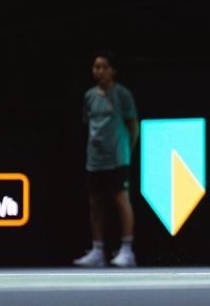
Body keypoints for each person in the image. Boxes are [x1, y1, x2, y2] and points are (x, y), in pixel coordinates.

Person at [74, 51, 139, 268]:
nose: (98, 71)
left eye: (102, 67)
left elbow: (133, 125)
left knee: (121, 201)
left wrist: (127, 151)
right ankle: (98, 250)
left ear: (112, 70)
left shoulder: (122, 95)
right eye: (95, 67)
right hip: (94, 160)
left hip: (117, 159)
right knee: (95, 204)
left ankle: (127, 250)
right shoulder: (89, 96)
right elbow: (89, 125)